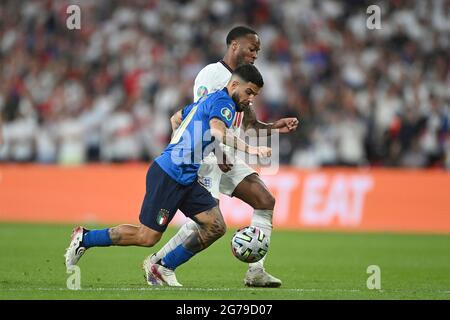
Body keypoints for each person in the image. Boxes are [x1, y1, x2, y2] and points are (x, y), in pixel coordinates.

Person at [64, 64, 270, 286]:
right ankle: (85, 238)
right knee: (146, 237)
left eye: (254, 96)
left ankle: (162, 267)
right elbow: (217, 131)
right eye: (249, 92)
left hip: (186, 175)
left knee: (216, 226)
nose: (250, 100)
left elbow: (175, 118)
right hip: (169, 174)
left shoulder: (209, 100)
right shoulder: (224, 104)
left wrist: (184, 146)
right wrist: (253, 150)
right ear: (234, 84)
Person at [146, 26, 299, 287]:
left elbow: (249, 125)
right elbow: (201, 120)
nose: (255, 54)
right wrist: (217, 153)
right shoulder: (212, 74)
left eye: (258, 50)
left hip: (227, 154)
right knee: (206, 221)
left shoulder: (245, 81)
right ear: (234, 45)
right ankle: (157, 263)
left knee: (264, 199)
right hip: (207, 158)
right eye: (252, 49)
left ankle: (255, 271)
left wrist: (274, 127)